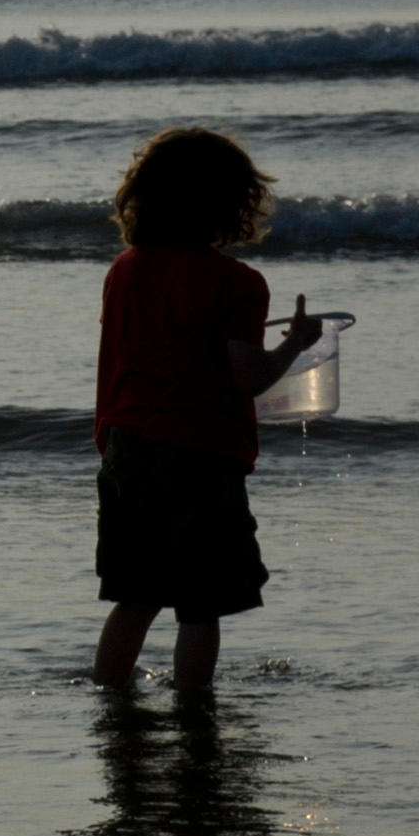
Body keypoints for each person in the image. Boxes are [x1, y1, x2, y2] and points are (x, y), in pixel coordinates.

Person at [88, 125, 325, 698]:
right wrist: (295, 345)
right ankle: (195, 714)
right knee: (200, 603)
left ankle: (109, 703)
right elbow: (248, 378)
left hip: (127, 449)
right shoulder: (236, 283)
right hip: (200, 455)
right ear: (230, 203)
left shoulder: (126, 268)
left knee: (136, 594)